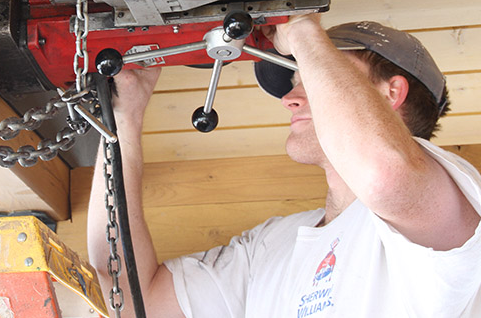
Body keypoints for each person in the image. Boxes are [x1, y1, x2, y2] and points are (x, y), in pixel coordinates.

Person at [87, 16, 481, 317]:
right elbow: (129, 296)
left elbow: (386, 174)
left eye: (310, 78)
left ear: (390, 92)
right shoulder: (273, 244)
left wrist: (305, 29)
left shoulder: (450, 194)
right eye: (295, 81)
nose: (289, 99)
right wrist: (126, 115)